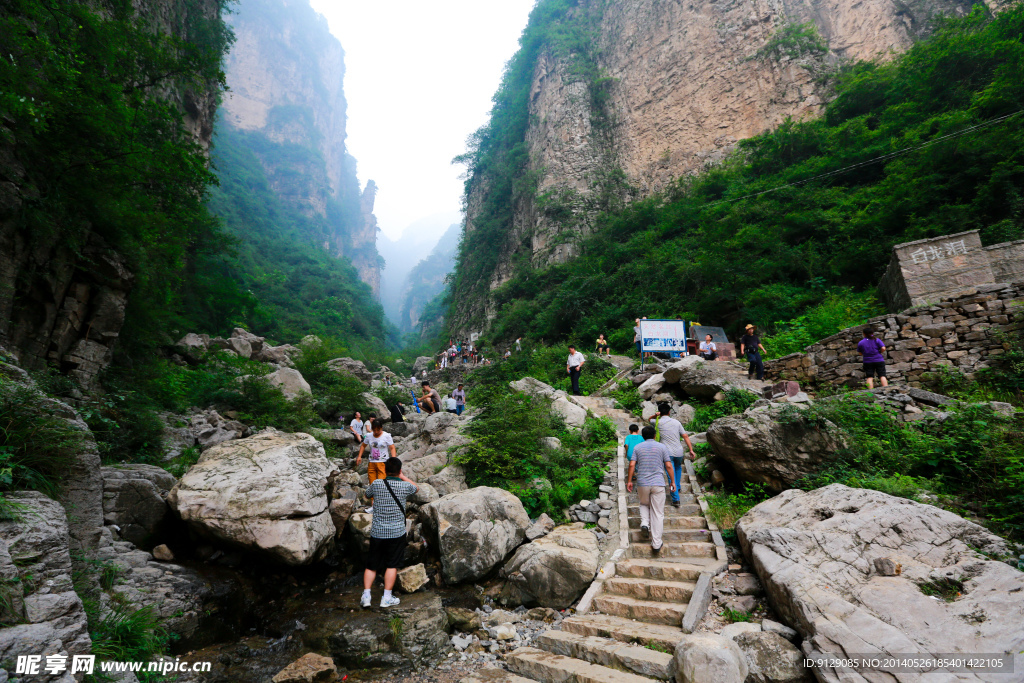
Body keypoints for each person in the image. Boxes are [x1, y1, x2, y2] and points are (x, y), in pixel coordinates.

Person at [361, 457, 418, 608]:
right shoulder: (405, 486)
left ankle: (366, 597)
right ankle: (386, 598)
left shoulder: (377, 483)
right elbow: (416, 488)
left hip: (378, 532)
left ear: (385, 471)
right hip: (396, 532)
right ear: (399, 471)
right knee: (392, 565)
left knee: (371, 565)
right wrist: (402, 476)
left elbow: (366, 495)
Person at [625, 426, 675, 553]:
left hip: (642, 482)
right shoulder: (662, 447)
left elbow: (632, 464)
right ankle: (656, 544)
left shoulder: (637, 447)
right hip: (658, 483)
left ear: (643, 436)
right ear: (654, 435)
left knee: (643, 503)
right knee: (658, 513)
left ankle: (644, 523)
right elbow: (668, 465)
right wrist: (673, 481)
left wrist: (630, 481)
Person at [648, 403, 697, 506]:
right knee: (678, 468)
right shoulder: (676, 422)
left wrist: (655, 415)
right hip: (679, 451)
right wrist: (691, 450)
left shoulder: (658, 422)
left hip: (666, 453)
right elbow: (685, 436)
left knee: (671, 475)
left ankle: (675, 499)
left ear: (660, 412)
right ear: (669, 412)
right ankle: (677, 487)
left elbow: (649, 420)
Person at [355, 418, 397, 517]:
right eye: (375, 430)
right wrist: (359, 456)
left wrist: (394, 460)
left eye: (378, 430)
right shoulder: (369, 436)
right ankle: (373, 507)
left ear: (381, 428)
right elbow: (363, 446)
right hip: (372, 463)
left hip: (383, 463)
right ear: (372, 429)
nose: (377, 432)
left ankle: (381, 506)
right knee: (372, 485)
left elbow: (392, 447)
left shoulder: (386, 436)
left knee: (381, 485)